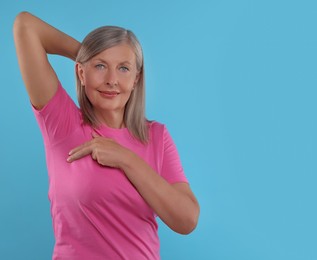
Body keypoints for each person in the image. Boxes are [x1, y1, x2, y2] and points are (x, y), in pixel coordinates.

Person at [13, 11, 200, 260]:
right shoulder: (63, 124)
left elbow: (186, 220)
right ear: (81, 73)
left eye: (123, 68)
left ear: (136, 79)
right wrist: (87, 54)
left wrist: (125, 158)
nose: (112, 80)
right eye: (100, 66)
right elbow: (26, 26)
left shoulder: (156, 136)